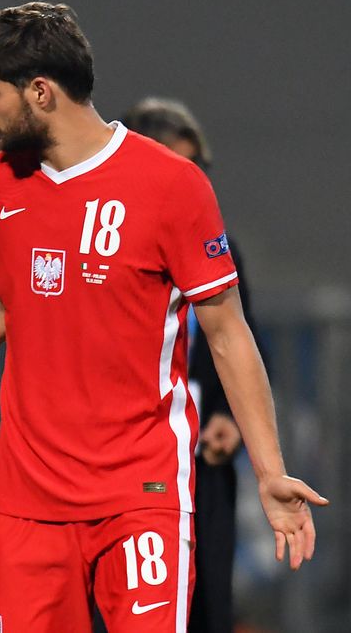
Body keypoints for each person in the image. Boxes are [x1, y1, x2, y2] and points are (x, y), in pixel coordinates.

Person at [0, 2, 327, 633]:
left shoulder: (172, 187)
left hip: (140, 497)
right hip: (28, 502)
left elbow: (228, 332)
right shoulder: (3, 179)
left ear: (40, 91)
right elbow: (2, 300)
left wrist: (269, 472)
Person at [123, 97, 251, 633]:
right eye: (183, 167)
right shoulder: (110, 251)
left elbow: (243, 347)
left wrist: (227, 416)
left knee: (209, 611)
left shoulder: (219, 250)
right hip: (132, 474)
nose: (195, 182)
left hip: (203, 471)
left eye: (200, 170)